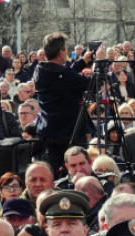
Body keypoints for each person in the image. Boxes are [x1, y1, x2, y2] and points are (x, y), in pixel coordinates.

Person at [33, 33, 90, 172]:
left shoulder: (39, 70)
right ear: (61, 53)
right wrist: (100, 63)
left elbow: (63, 74)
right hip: (69, 132)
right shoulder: (65, 76)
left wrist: (82, 62)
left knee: (55, 170)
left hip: (49, 131)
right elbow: (89, 83)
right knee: (76, 170)